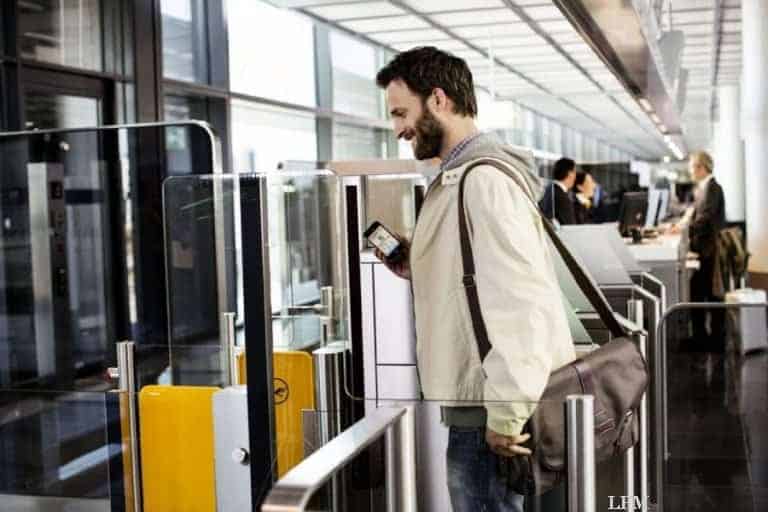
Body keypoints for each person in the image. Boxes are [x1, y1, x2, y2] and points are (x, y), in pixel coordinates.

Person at [375, 46, 575, 512]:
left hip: (489, 407)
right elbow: (477, 277)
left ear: (439, 100)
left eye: (402, 112)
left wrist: (505, 413)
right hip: (480, 399)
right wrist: (417, 262)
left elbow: (520, 300)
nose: (398, 128)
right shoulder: (459, 177)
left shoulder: (481, 181)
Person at [687, 151, 726, 350]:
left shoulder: (712, 188)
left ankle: (712, 340)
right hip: (703, 249)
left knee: (708, 294)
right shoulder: (704, 188)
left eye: (692, 166)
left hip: (709, 251)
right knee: (700, 293)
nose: (690, 170)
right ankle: (702, 337)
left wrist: (687, 228)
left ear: (702, 167)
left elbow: (707, 217)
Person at [539, 158, 577, 225]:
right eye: (574, 172)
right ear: (570, 174)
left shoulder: (548, 189)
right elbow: (570, 227)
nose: (575, 176)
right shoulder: (561, 197)